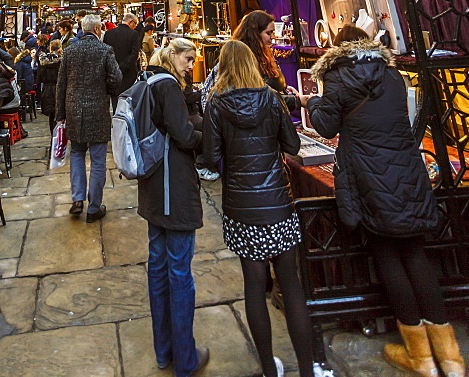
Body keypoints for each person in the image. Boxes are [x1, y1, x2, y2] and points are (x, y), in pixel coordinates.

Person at [302, 34, 464, 377]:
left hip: (369, 176)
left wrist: (313, 102)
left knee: (388, 255)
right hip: (406, 169)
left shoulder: (336, 76)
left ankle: (420, 357)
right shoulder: (393, 74)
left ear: (338, 50)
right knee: (416, 253)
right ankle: (450, 359)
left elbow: (326, 125)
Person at [203, 40, 333, 377]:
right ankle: (307, 368)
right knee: (291, 286)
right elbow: (291, 144)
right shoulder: (271, 99)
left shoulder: (217, 103)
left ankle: (268, 368)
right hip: (277, 203)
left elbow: (211, 158)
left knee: (253, 287)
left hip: (242, 206)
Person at [138, 38, 209, 377]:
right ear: (173, 54)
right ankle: (186, 359)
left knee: (158, 265)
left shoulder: (147, 80)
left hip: (153, 188)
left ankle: (165, 351)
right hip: (172, 188)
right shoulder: (167, 85)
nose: (191, 64)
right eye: (188, 58)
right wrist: (208, 138)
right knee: (180, 271)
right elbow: (182, 135)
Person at [55, 14, 122, 222]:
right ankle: (94, 208)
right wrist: (106, 89)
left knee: (76, 153)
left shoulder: (70, 51)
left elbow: (61, 84)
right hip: (98, 110)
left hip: (74, 110)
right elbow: (116, 77)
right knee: (98, 160)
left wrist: (60, 115)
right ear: (97, 29)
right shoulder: (104, 50)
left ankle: (77, 200)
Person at [234, 10, 299, 110]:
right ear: (255, 34)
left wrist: (285, 89)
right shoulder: (244, 59)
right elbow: (257, 98)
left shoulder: (262, 53)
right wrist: (294, 101)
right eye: (269, 33)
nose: (272, 37)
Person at [104, 12, 141, 109]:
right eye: (135, 24)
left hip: (113, 75)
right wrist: (123, 66)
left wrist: (115, 68)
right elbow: (134, 54)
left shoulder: (108, 33)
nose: (135, 27)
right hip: (129, 75)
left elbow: (105, 54)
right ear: (131, 22)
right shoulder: (134, 34)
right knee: (129, 106)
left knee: (116, 104)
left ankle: (117, 122)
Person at [37, 40, 63, 133]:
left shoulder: (44, 62)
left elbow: (38, 78)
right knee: (61, 113)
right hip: (59, 88)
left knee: (51, 115)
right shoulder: (62, 61)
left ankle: (54, 137)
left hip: (47, 89)